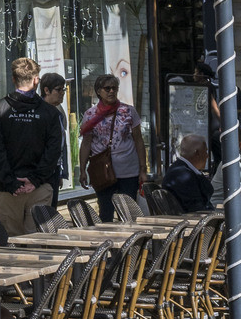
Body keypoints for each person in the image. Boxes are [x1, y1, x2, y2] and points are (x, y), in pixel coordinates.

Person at [0, 56, 64, 236]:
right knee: (38, 242)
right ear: (36, 80)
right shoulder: (50, 113)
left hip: (10, 188)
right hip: (39, 186)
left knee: (10, 242)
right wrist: (35, 180)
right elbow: (53, 151)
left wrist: (11, 182)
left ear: (13, 79)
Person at [78, 74, 147, 222]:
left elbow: (139, 141)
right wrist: (82, 169)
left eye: (114, 88)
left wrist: (143, 169)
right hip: (102, 172)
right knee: (106, 211)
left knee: (129, 212)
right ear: (98, 91)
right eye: (107, 88)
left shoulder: (129, 111)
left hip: (128, 171)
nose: (111, 91)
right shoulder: (90, 115)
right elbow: (86, 143)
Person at [164, 134, 214, 213]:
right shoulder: (183, 175)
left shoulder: (181, 170)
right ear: (197, 153)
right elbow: (197, 208)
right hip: (193, 221)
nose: (207, 156)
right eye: (205, 151)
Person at [39, 75, 72, 183]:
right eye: (58, 90)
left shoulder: (58, 111)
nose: (62, 93)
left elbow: (61, 143)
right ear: (46, 90)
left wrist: (61, 172)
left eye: (63, 89)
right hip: (40, 170)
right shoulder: (37, 111)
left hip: (55, 168)